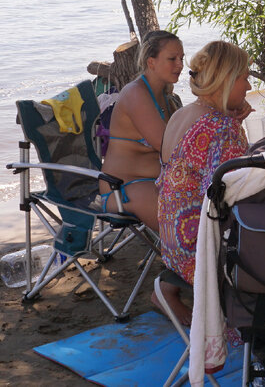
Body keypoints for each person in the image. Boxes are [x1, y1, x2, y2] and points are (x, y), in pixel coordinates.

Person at [156, 40, 254, 324]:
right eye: (245, 78)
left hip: (173, 247)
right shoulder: (220, 127)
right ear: (226, 79)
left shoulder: (182, 114)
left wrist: (231, 119)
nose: (248, 87)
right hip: (202, 257)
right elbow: (236, 197)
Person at [98, 30, 184, 231]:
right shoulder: (136, 94)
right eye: (172, 59)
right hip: (124, 189)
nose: (180, 65)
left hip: (156, 182)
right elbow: (167, 146)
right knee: (184, 236)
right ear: (151, 62)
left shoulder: (163, 95)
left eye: (181, 58)